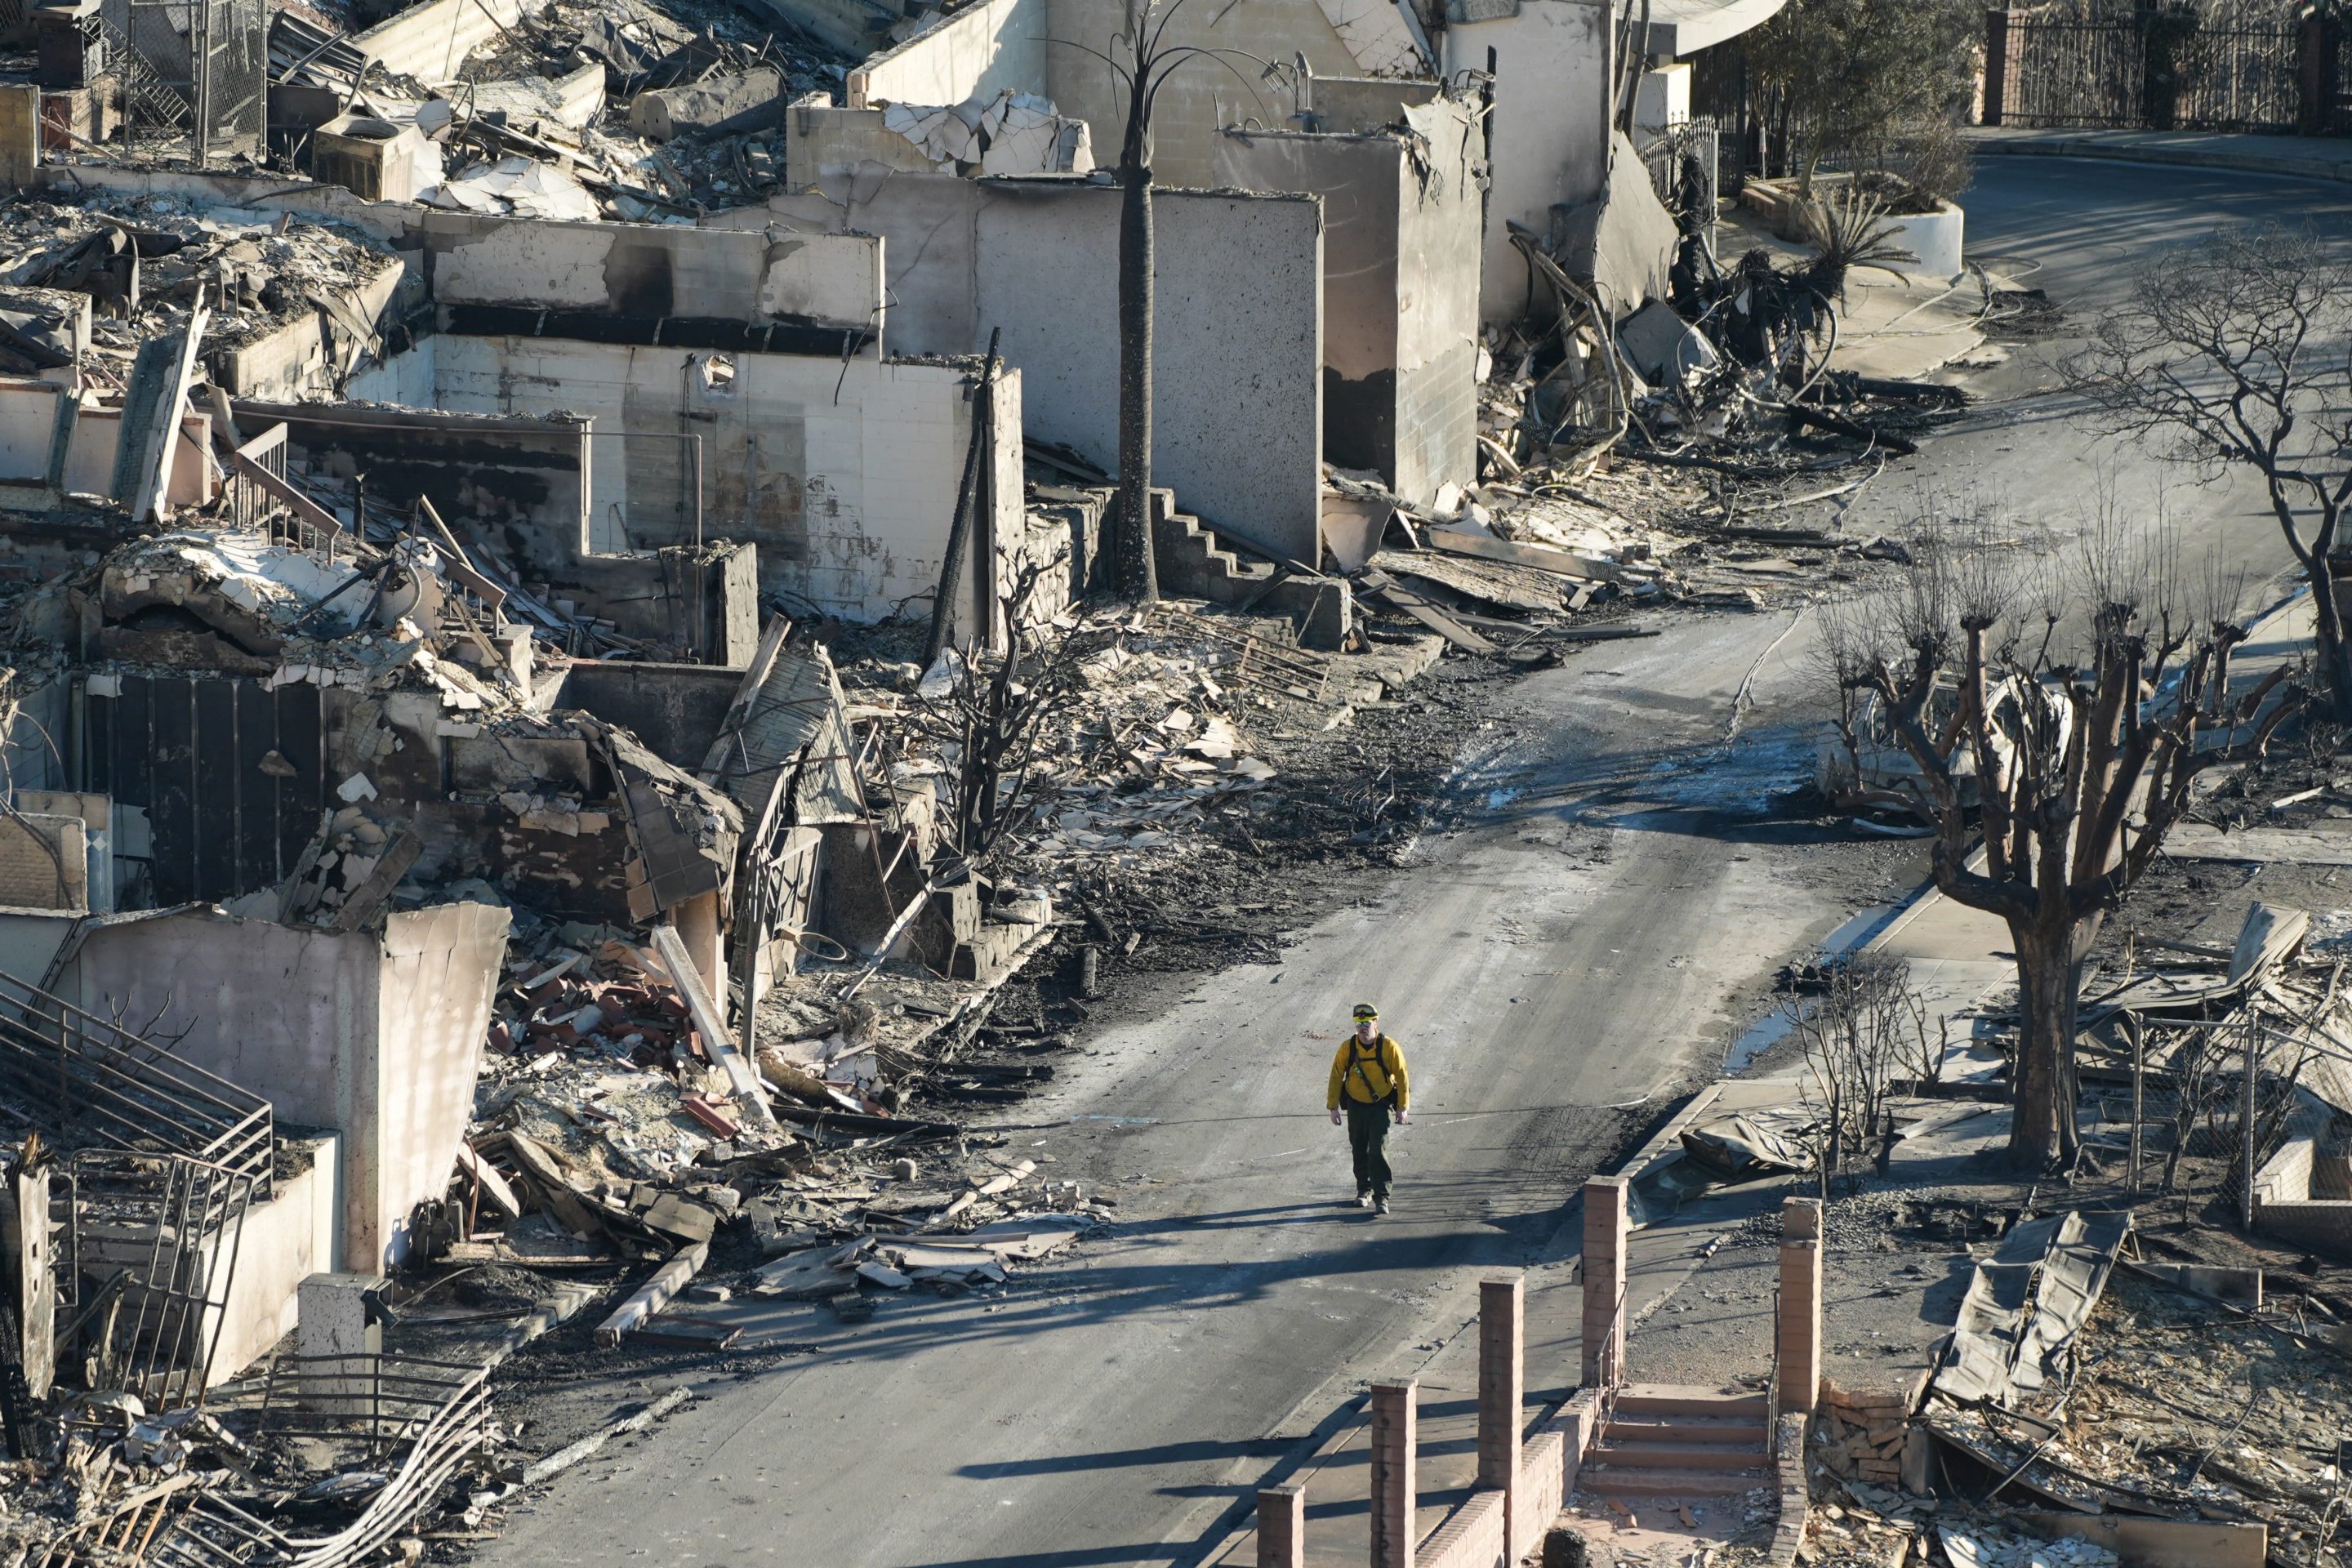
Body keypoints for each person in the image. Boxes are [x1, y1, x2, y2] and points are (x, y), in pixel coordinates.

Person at [1326, 1002, 1409, 1213]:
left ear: (1375, 1023)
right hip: (1355, 1106)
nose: (1362, 1028)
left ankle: (1382, 1197)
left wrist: (1402, 1107)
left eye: (1366, 1023)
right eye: (1358, 1023)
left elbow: (1402, 1076)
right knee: (1359, 1149)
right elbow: (1337, 1075)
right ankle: (1364, 1190)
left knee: (1378, 1150)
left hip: (1379, 1107)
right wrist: (1333, 1107)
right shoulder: (1348, 1048)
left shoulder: (1389, 1047)